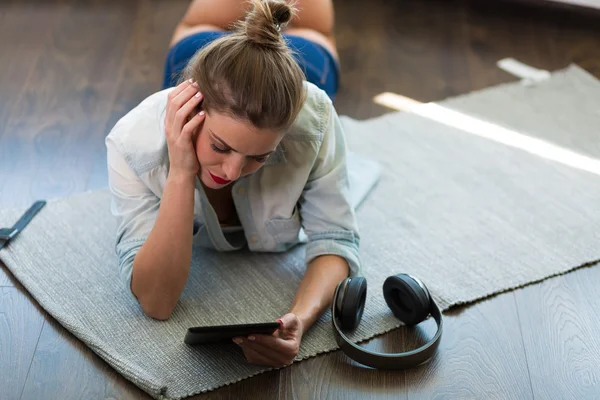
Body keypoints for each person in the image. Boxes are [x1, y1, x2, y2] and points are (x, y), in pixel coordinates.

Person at [105, 0, 360, 369]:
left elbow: (336, 239)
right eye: (220, 146)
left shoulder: (313, 119)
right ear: (192, 114)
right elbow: (157, 302)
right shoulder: (134, 144)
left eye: (259, 156)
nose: (232, 169)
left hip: (301, 66)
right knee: (202, 26)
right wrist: (180, 172)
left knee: (313, 33)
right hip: (198, 56)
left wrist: (299, 322)